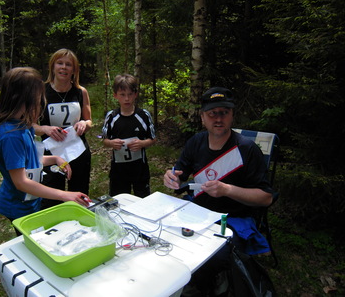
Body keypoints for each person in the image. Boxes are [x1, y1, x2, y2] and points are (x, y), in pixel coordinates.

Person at [163, 87, 273, 296]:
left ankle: (208, 285)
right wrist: (171, 177)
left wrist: (228, 189)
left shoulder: (247, 149)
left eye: (224, 112)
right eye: (212, 113)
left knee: (213, 256)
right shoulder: (196, 142)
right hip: (198, 213)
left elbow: (266, 198)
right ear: (203, 117)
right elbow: (179, 174)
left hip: (232, 218)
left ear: (232, 116)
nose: (218, 118)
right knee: (166, 240)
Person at [0, 67, 90, 236]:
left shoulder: (23, 125)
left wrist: (55, 159)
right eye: (38, 97)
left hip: (31, 202)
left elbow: (30, 160)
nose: (41, 102)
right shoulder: (10, 136)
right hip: (19, 206)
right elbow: (21, 182)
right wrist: (65, 195)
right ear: (24, 98)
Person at [34, 49, 92, 209]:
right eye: (60, 63)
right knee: (51, 198)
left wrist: (84, 124)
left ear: (74, 70)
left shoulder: (81, 92)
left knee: (79, 196)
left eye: (69, 65)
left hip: (78, 151)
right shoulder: (41, 92)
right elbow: (30, 125)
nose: (64, 68)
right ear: (52, 67)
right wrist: (45, 129)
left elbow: (88, 120)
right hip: (51, 153)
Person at [102, 74, 156, 197]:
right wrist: (111, 143)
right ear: (115, 95)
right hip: (118, 170)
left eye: (130, 94)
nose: (127, 99)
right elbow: (104, 140)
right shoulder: (111, 116)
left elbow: (153, 139)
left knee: (142, 200)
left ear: (135, 94)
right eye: (122, 95)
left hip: (140, 169)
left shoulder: (144, 115)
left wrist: (142, 143)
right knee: (119, 200)